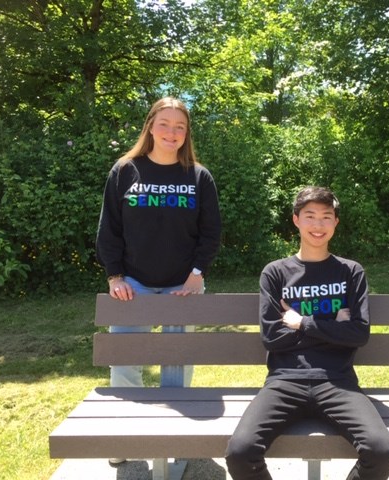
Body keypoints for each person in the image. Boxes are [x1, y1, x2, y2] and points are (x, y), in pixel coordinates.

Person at [225, 186, 389, 480]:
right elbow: (272, 337)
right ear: (296, 220)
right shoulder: (275, 273)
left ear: (335, 223)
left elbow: (358, 334)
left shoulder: (350, 272)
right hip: (284, 381)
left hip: (337, 382)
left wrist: (302, 322)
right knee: (240, 453)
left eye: (326, 217)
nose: (318, 225)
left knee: (381, 452)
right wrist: (334, 326)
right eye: (310, 216)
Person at [95, 97, 221, 462]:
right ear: (150, 126)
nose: (172, 132)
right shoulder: (125, 170)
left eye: (180, 127)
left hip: (184, 286)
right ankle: (126, 436)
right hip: (133, 284)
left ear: (187, 134)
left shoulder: (198, 176)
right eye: (164, 124)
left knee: (177, 362)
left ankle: (173, 438)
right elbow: (110, 231)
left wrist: (197, 276)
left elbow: (211, 233)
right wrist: (115, 275)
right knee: (125, 361)